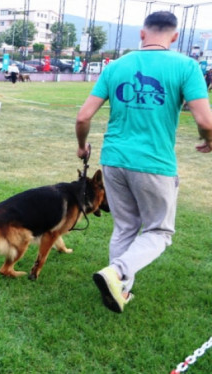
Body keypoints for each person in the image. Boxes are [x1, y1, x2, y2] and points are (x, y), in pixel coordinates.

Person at [75, 11, 212, 313]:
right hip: (154, 163)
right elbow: (205, 119)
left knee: (125, 227)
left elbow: (83, 115)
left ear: (142, 33)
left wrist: (82, 146)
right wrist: (209, 139)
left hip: (113, 160)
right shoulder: (187, 66)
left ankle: (119, 291)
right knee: (159, 232)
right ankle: (117, 273)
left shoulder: (117, 66)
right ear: (174, 36)